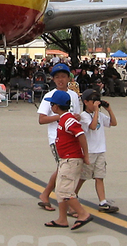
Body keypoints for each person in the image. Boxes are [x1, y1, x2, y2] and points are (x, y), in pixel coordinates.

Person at [43, 89, 94, 230]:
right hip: (65, 159)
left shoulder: (68, 120)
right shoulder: (64, 119)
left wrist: (86, 155)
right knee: (60, 189)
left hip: (71, 160)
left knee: (65, 191)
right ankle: (62, 219)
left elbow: (81, 135)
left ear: (55, 106)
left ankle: (83, 214)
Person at [36, 63, 81, 212]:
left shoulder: (74, 95)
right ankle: (66, 202)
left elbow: (78, 115)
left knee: (64, 170)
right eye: (57, 77)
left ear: (69, 78)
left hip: (72, 138)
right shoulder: (49, 96)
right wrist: (59, 116)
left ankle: (47, 194)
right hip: (57, 139)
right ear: (53, 79)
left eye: (63, 76)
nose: (60, 80)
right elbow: (41, 119)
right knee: (65, 171)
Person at [75, 88, 119, 213]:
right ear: (86, 102)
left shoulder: (98, 115)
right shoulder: (84, 116)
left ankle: (103, 202)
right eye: (93, 100)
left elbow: (113, 123)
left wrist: (109, 110)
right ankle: (73, 195)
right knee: (83, 176)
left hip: (100, 150)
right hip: (89, 151)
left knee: (99, 176)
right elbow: (93, 127)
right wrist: (95, 112)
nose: (96, 103)